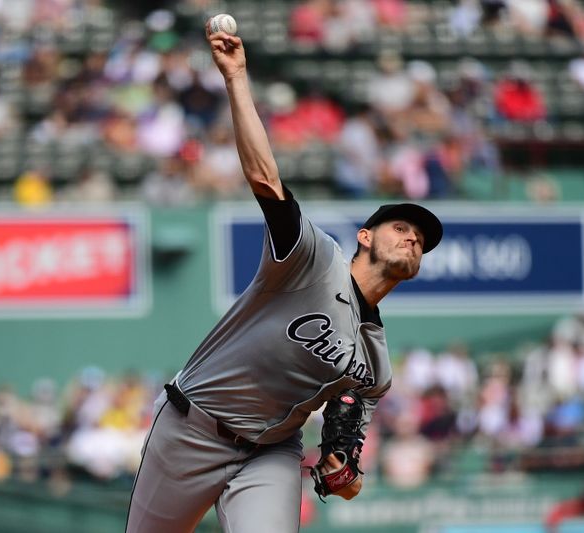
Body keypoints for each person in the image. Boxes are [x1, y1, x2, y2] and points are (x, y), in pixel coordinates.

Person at [125, 23, 443, 533]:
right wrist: (236, 78)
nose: (412, 239)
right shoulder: (313, 259)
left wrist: (341, 466)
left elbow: (346, 446)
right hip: (192, 425)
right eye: (401, 228)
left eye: (421, 241)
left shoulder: (376, 364)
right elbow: (265, 179)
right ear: (365, 236)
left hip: (270, 452)